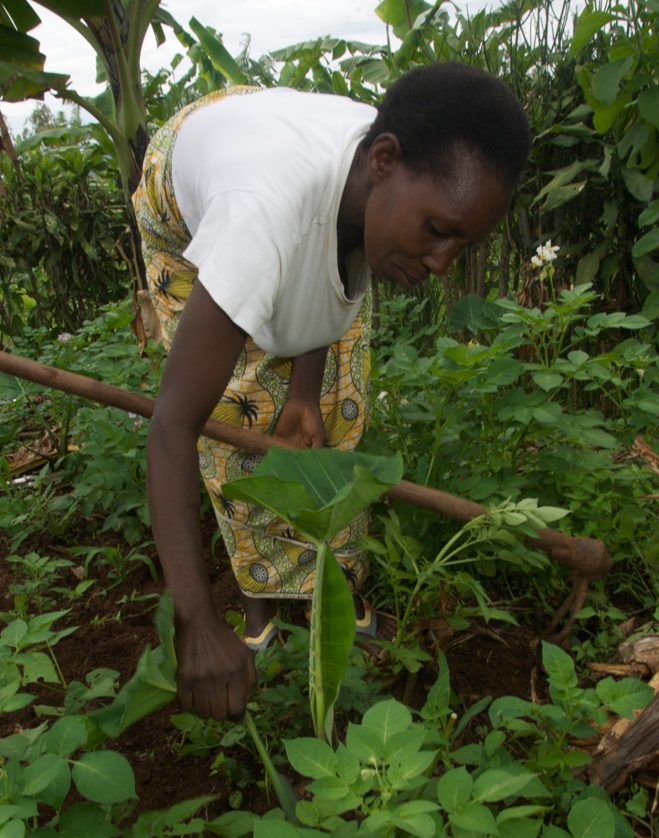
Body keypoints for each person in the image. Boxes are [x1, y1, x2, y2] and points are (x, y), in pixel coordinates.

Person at [132, 62, 531, 721]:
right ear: (384, 159)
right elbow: (172, 424)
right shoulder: (258, 222)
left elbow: (326, 259)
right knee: (244, 412)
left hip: (277, 147)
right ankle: (257, 602)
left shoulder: (378, 190)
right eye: (438, 231)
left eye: (463, 243)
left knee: (331, 411)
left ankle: (326, 591)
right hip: (189, 175)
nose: (441, 267)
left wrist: (304, 393)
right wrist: (194, 623)